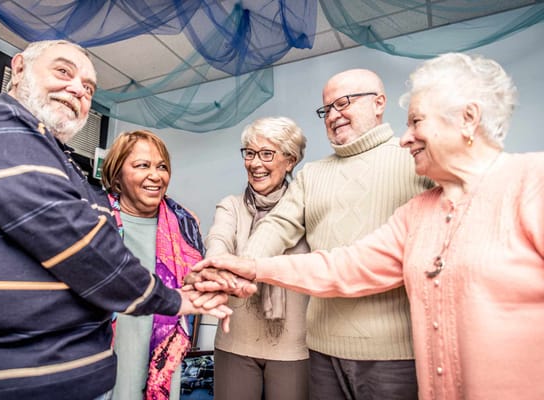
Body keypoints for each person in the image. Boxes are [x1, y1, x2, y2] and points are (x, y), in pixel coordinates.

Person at [194, 52, 544, 399]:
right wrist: (247, 267)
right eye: (326, 108)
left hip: (397, 360)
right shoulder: (417, 215)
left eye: (416, 122)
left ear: (468, 119)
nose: (406, 138)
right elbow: (344, 266)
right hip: (333, 353)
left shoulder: (530, 183)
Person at [0, 40, 230, 400]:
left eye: (89, 87)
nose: (78, 88)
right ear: (17, 69)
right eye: (63, 71)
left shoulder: (58, 161)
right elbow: (82, 247)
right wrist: (173, 299)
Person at [199, 68, 432, 399]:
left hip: (394, 355)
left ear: (379, 103)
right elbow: (277, 226)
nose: (334, 115)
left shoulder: (414, 159)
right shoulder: (314, 175)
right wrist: (238, 269)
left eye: (344, 103)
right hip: (322, 351)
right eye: (327, 109)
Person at [204, 117, 310, 400]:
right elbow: (219, 241)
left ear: (290, 160)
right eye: (249, 153)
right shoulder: (231, 206)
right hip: (234, 342)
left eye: (267, 154)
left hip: (293, 347)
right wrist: (217, 267)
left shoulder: (306, 207)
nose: (255, 163)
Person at [100, 130, 205, 400]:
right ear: (117, 175)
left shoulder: (184, 227)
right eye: (142, 165)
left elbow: (196, 289)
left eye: (162, 167)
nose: (155, 175)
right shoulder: (94, 220)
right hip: (103, 358)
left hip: (161, 360)